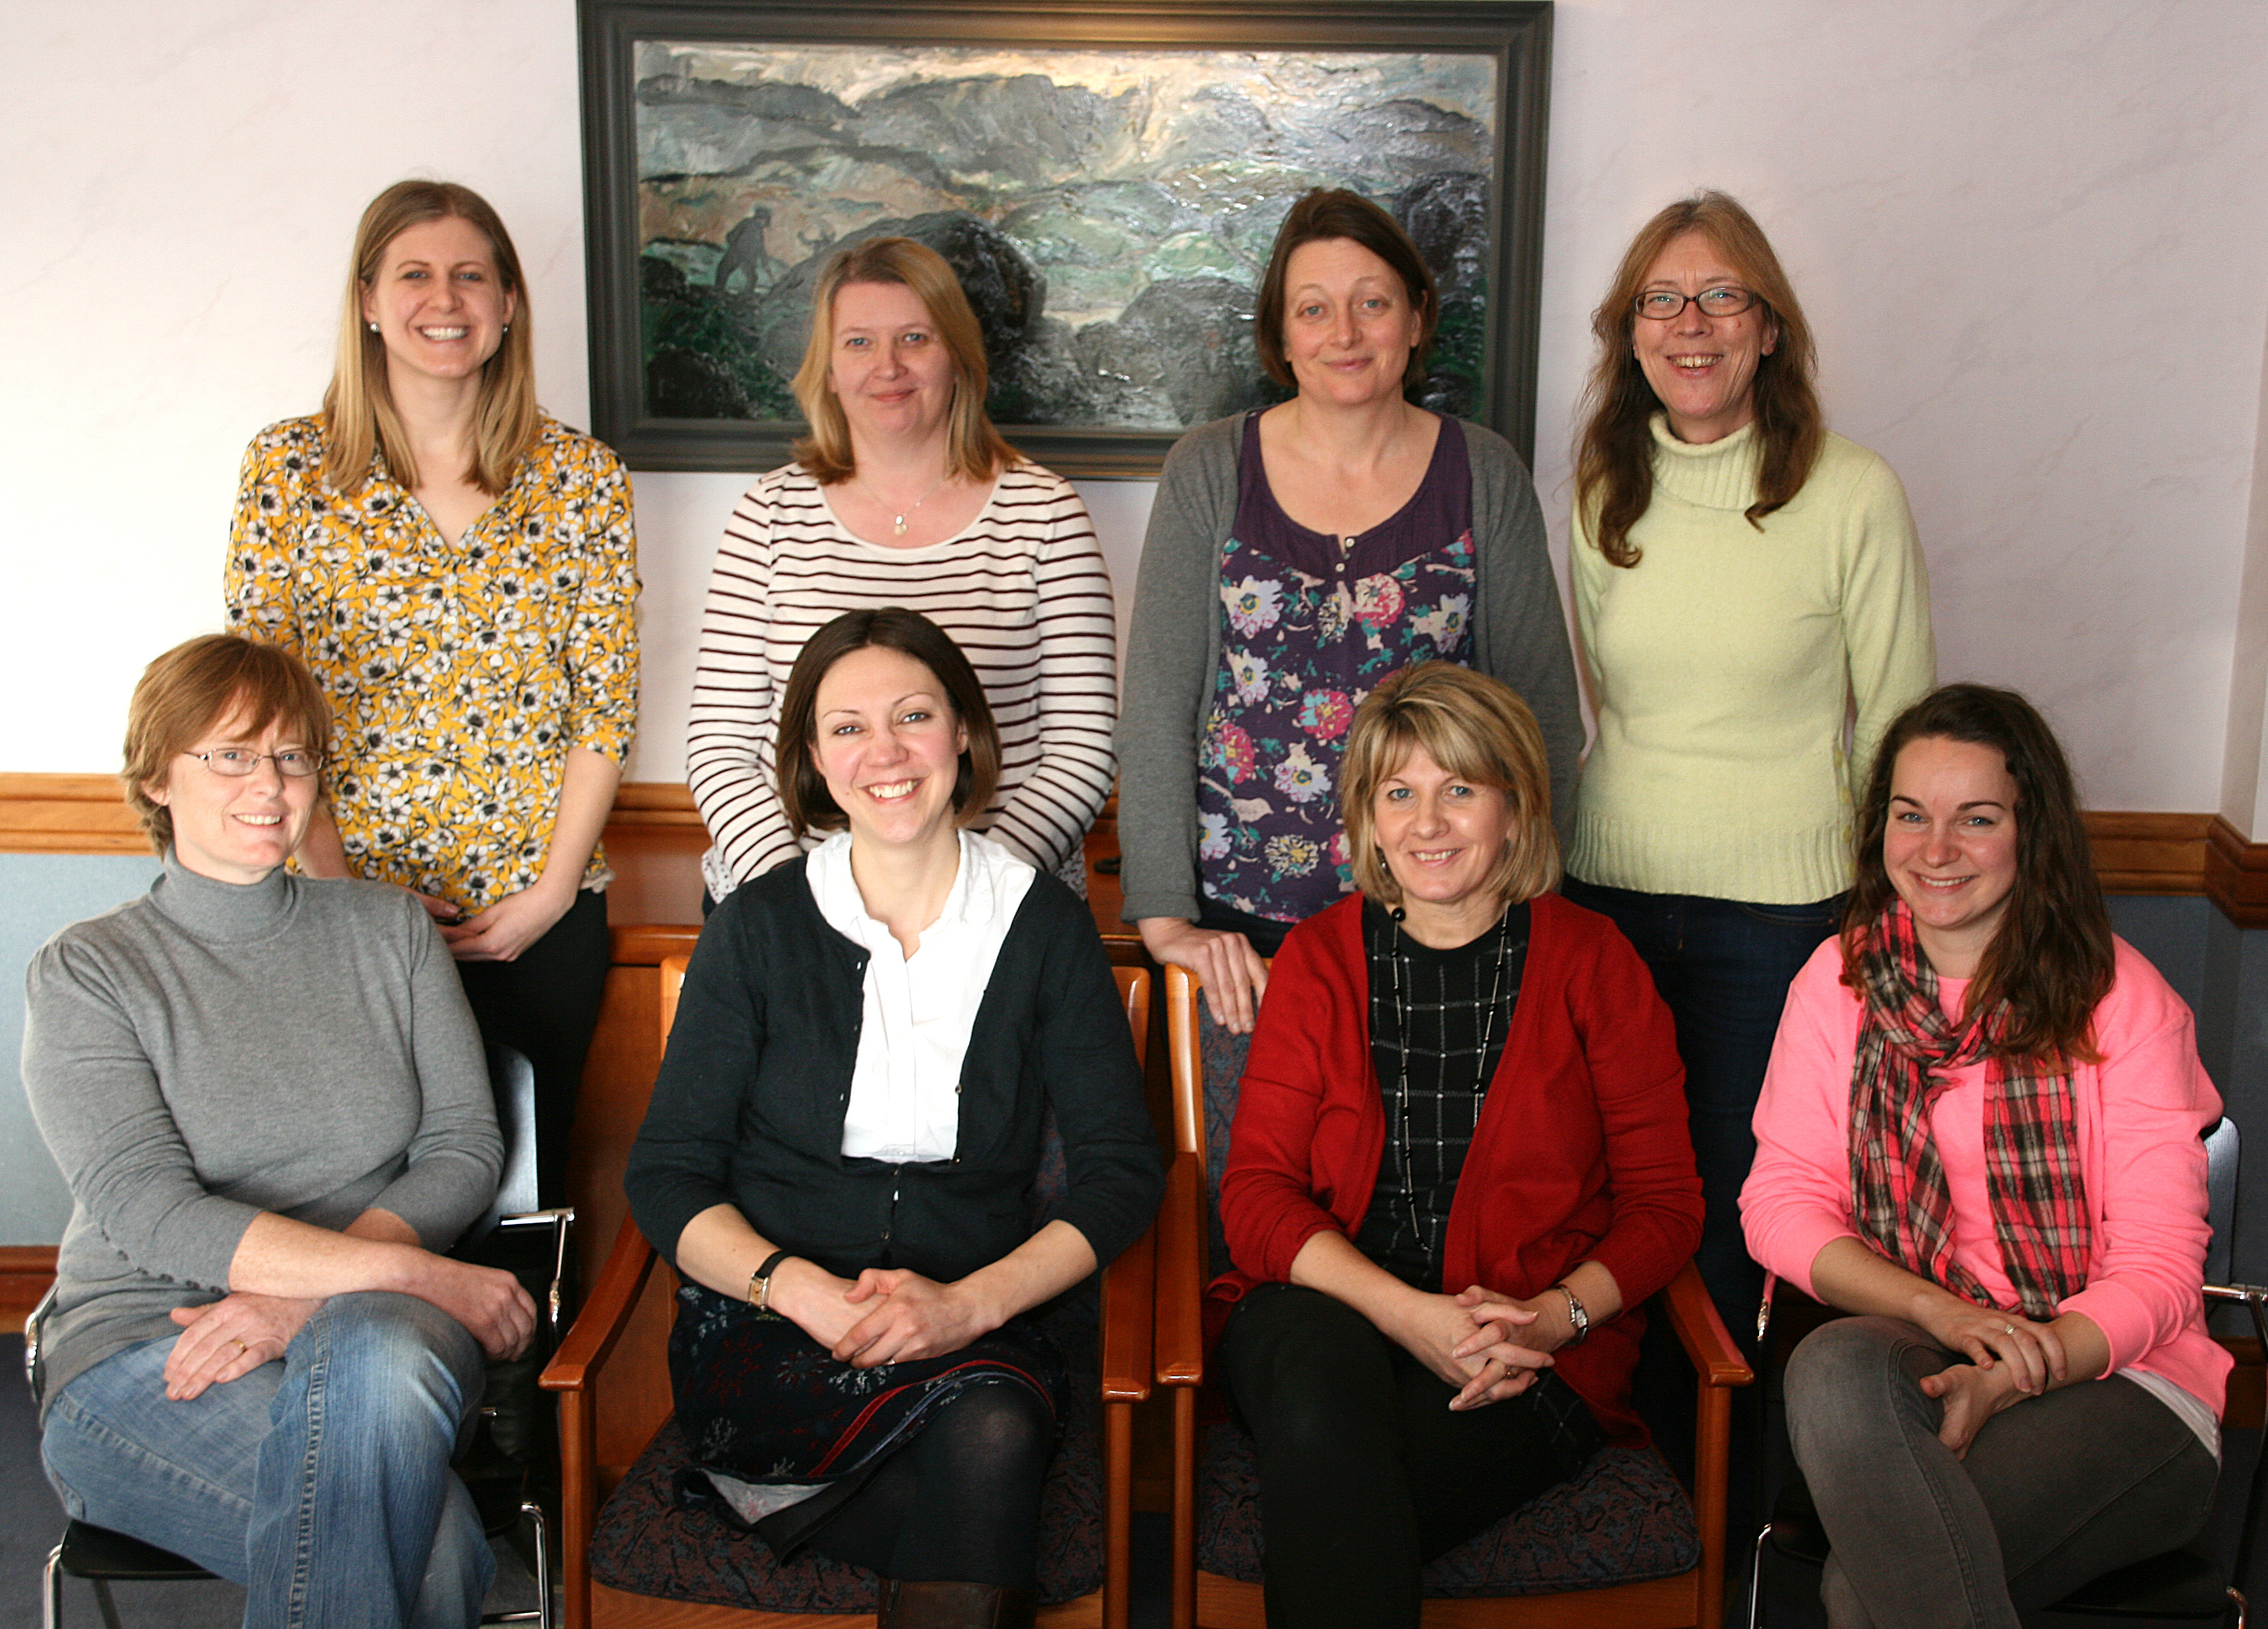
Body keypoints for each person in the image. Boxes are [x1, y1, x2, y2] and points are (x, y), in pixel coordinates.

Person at [627, 609, 1163, 1628]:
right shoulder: (757, 926)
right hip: (772, 1327)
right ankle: (779, 1474)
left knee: (989, 1429)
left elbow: (1120, 1172)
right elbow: (667, 1174)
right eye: (846, 727)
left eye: (913, 715)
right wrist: (807, 1295)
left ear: (962, 732)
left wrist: (964, 1307)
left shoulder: (1042, 926)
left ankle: (775, 1497)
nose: (884, 752)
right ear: (812, 758)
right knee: (990, 1495)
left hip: (977, 1323)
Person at [25, 635, 537, 1629]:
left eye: (293, 756)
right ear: (155, 777)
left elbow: (464, 1143)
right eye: (231, 754)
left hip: (385, 1336)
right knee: (427, 1552)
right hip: (149, 1344)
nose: (269, 784)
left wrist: (312, 1301)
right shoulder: (89, 969)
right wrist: (419, 1272)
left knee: (381, 1360)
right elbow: (150, 1210)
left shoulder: (387, 929)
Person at [1205, 663, 1702, 1629]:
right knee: (1320, 1407)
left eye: (1458, 790)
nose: (1426, 824)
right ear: (1369, 819)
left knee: (1339, 1506)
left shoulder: (1596, 963)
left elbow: (1665, 1205)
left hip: (1523, 1342)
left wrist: (1553, 1320)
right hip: (1330, 1311)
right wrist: (1407, 1316)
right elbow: (1257, 1196)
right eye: (1399, 793)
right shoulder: (1316, 959)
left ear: (1514, 812)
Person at [1741, 683, 2225, 1628]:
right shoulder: (1836, 984)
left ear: (2030, 831)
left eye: (1977, 819)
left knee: (1863, 1591)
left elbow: (2163, 1274)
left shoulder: (2123, 1003)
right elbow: (1780, 1203)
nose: (1936, 850)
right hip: (1927, 1338)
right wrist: (1940, 1312)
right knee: (1830, 1367)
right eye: (1911, 815)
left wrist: (2013, 1370)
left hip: (2123, 1379)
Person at [227, 178, 640, 1204]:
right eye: (413, 273)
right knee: (351, 1192)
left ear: (505, 305)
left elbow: (605, 708)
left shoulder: (581, 478)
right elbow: (267, 711)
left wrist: (546, 895)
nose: (442, 297)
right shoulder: (290, 470)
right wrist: (339, 890)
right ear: (367, 298)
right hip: (337, 905)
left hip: (534, 915)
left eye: (470, 274)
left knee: (523, 1196)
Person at [1565, 190, 1934, 1330]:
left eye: (1721, 295)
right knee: (1604, 1195)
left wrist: (1887, 909)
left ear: (1767, 326)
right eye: (1660, 299)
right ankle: (1612, 1459)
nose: (1691, 322)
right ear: (1628, 334)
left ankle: (1712, 1484)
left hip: (1777, 919)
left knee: (1735, 1213)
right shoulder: (1599, 491)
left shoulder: (1851, 491)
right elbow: (1603, 705)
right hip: (1604, 895)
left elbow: (1898, 728)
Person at [1117, 188, 1582, 1035]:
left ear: (1415, 318)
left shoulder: (1483, 473)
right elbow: (1155, 708)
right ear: (1282, 337)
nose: (1345, 333)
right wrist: (1166, 919)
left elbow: (1540, 712)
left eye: (1372, 303)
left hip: (1446, 927)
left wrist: (1527, 904)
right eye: (1314, 309)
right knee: (1262, 1169)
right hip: (1245, 943)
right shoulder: (1210, 470)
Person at [686, 236, 1117, 908]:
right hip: (791, 898)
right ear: (827, 370)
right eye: (859, 343)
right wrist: (798, 897)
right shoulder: (768, 514)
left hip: (1000, 896)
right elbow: (720, 746)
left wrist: (970, 894)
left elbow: (1082, 748)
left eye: (915, 338)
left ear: (958, 359)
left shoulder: (1044, 513)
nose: (887, 367)